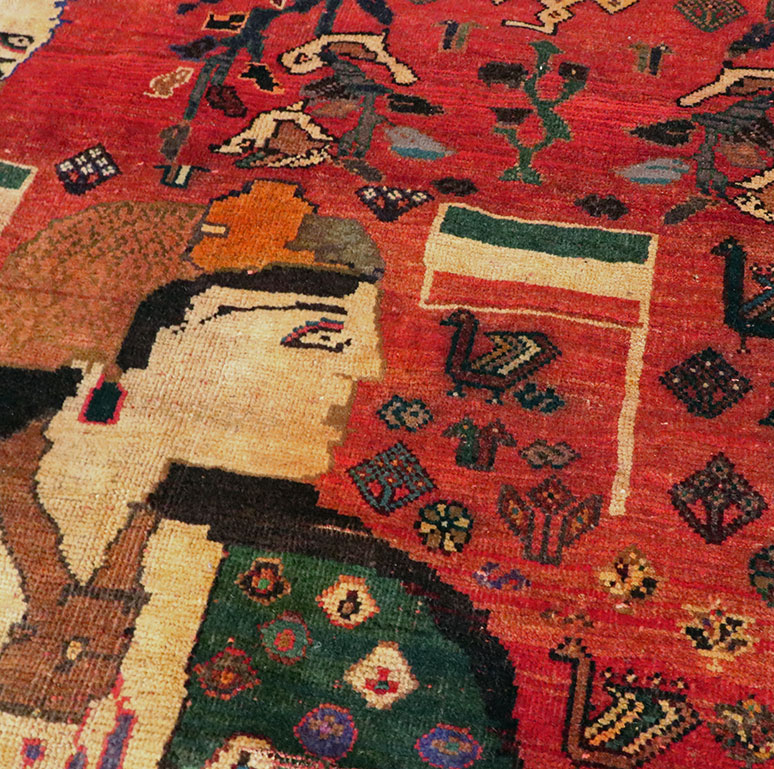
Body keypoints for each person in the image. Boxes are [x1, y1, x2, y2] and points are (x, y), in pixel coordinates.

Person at [0, 182, 518, 768]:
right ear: (126, 374)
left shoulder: (375, 605)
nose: (367, 373)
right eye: (317, 338)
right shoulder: (341, 591)